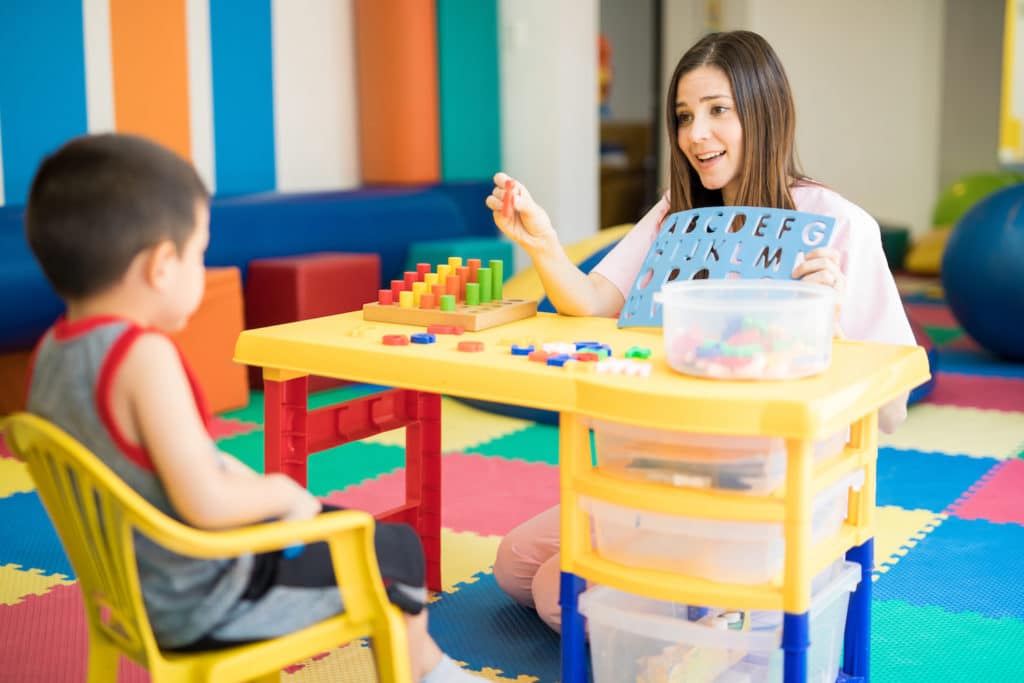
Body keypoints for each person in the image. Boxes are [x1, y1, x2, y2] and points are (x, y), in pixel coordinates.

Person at [484, 30, 914, 633]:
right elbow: (594, 300)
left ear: (766, 112)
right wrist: (542, 241)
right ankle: (689, 611)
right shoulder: (676, 213)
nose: (696, 135)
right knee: (514, 566)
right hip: (660, 458)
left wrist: (825, 321)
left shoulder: (838, 224)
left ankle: (710, 637)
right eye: (685, 116)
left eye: (719, 111)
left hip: (760, 482)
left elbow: (891, 405)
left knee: (559, 592)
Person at [23, 133, 482, 682]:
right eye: (200, 253)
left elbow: (156, 471)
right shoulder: (141, 358)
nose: (201, 267)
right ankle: (427, 669)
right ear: (162, 266)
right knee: (391, 548)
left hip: (134, 588)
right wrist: (281, 494)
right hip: (208, 597)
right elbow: (206, 503)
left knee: (338, 525)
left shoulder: (52, 350)